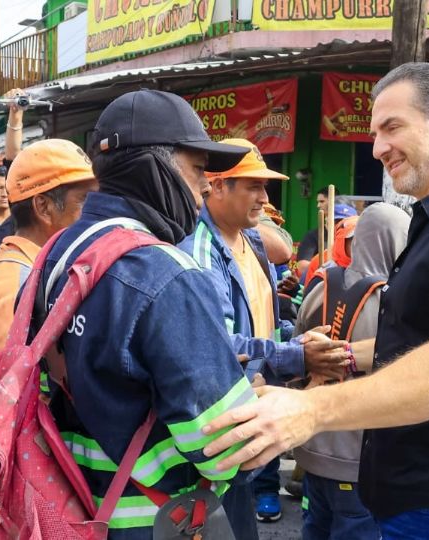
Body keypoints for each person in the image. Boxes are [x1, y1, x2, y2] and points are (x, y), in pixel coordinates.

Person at [203, 62, 429, 540]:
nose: (378, 147)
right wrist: (338, 354)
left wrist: (312, 410)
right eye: (374, 132)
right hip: (412, 499)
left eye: (392, 127)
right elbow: (419, 340)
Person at [36, 89, 259, 539]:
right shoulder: (165, 274)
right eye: (197, 169)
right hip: (157, 521)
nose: (203, 187)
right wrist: (261, 406)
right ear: (154, 167)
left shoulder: (58, 253)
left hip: (73, 509)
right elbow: (222, 446)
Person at [178, 138, 348, 530]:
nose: (264, 197)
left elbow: (262, 323)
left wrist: (299, 335)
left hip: (255, 405)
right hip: (225, 422)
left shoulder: (251, 240)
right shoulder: (200, 254)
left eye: (264, 186)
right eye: (253, 185)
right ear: (217, 186)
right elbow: (218, 344)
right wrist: (297, 356)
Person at [294, 202, 409, 540]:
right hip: (360, 462)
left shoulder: (319, 286)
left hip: (313, 451)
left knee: (315, 527)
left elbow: (296, 356)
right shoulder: (394, 302)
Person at [0, 139, 98, 359]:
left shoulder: (33, 270)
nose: (94, 213)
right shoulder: (17, 286)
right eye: (84, 201)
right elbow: (13, 387)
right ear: (43, 207)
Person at [296, 186, 332, 263]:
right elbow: (302, 265)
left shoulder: (349, 236)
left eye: (322, 201)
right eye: (318, 202)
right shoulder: (313, 236)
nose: (318, 205)